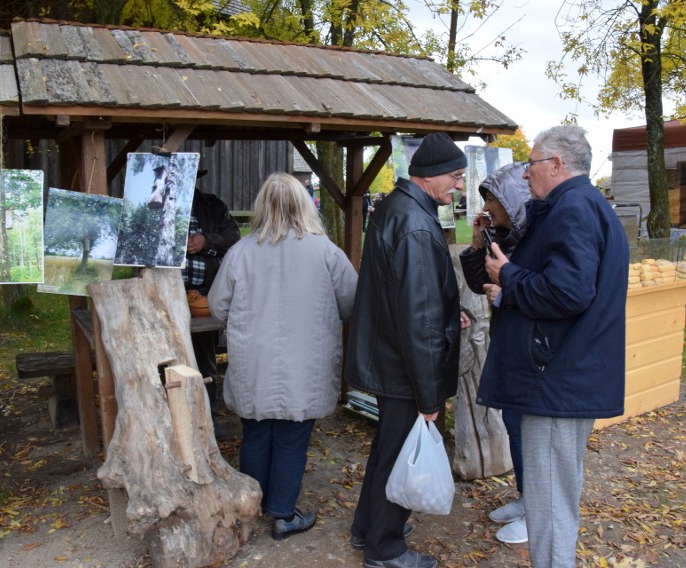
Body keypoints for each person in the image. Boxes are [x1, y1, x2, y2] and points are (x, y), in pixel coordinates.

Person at [478, 125, 628, 567]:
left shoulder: (574, 208)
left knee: (549, 506)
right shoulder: (580, 205)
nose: (526, 175)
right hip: (564, 375)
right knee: (554, 497)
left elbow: (568, 292)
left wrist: (508, 276)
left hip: (556, 380)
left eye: (532, 164)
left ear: (557, 164)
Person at [208, 172, 357, 541]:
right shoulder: (325, 250)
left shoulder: (241, 251)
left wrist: (244, 323)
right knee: (293, 437)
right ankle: (283, 513)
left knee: (256, 433)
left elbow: (215, 306)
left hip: (254, 361)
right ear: (305, 204)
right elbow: (352, 302)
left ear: (262, 206)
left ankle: (251, 506)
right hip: (306, 363)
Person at [346, 132, 471, 568]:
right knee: (400, 452)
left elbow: (410, 298)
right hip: (404, 367)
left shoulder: (399, 208)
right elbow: (418, 320)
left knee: (388, 449)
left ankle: (369, 528)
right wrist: (429, 396)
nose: (458, 185)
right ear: (432, 175)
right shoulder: (416, 224)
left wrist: (446, 312)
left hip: (390, 356)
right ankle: (385, 547)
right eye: (456, 176)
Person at [459, 162, 530, 545]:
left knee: (526, 430)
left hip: (527, 346)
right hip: (510, 343)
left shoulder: (530, 238)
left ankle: (538, 511)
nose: (487, 205)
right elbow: (476, 282)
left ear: (511, 200)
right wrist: (476, 243)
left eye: (493, 198)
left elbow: (543, 292)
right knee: (515, 425)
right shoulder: (502, 235)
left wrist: (505, 293)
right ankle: (527, 499)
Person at [181, 169, 240, 434]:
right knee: (166, 358)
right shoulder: (153, 206)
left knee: (205, 359)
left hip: (204, 295)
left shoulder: (211, 205)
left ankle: (209, 420)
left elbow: (233, 235)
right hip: (161, 295)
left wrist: (206, 241)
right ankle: (174, 418)